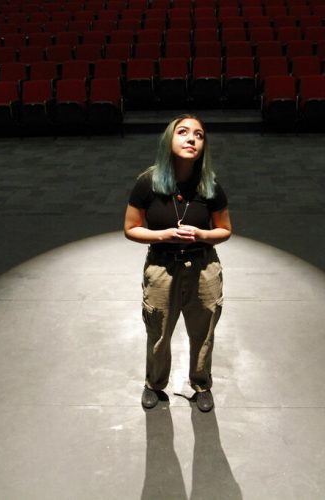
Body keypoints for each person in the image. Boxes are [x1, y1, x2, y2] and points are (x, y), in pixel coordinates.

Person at [124, 115, 232, 412]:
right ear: (168, 140)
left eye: (199, 135)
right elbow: (131, 228)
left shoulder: (210, 185)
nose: (191, 138)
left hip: (203, 267)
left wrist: (202, 234)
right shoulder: (148, 182)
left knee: (203, 333)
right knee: (158, 332)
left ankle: (201, 384)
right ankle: (154, 384)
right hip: (162, 267)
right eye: (183, 132)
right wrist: (163, 235)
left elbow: (225, 229)